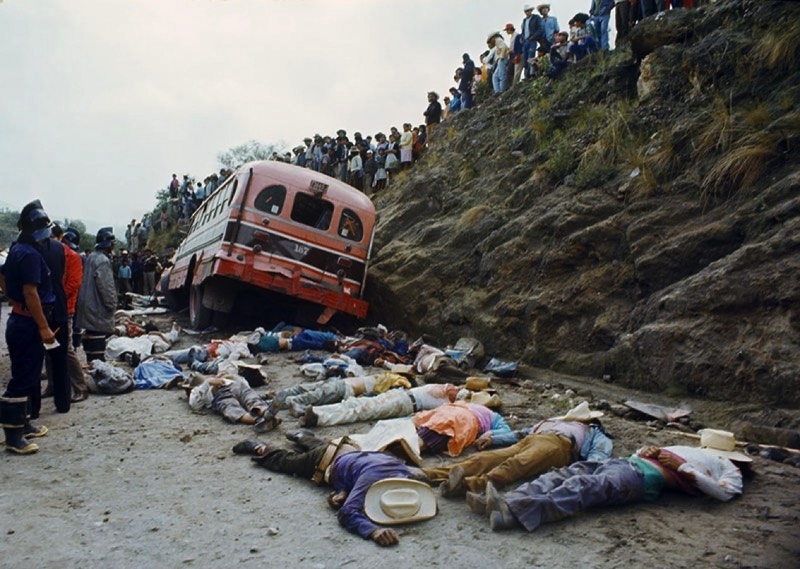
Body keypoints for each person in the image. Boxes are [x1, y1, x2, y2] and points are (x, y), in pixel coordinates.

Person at [467, 429, 749, 532]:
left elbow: (723, 493)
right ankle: (504, 501)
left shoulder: (731, 470)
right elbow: (641, 453)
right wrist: (646, 451)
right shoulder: (692, 449)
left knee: (583, 487)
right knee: (563, 474)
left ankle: (514, 514)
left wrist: (683, 466)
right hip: (627, 463)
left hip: (642, 477)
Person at [235, 436, 434, 546]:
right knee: (285, 462)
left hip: (347, 447)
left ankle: (303, 435)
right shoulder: (374, 478)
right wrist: (373, 531)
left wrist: (344, 490)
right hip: (325, 460)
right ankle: (259, 447)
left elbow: (358, 475)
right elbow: (347, 513)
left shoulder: (399, 467)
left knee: (320, 447)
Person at [424, 401, 613, 496]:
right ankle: (431, 474)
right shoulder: (554, 421)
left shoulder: (595, 433)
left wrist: (578, 474)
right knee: (486, 458)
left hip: (559, 445)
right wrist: (493, 440)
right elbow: (520, 433)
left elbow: (597, 457)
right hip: (531, 439)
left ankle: (469, 485)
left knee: (516, 464)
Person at [0, 199, 56, 454]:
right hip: (28, 322)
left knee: (27, 373)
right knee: (22, 378)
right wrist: (43, 328)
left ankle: (21, 424)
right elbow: (31, 293)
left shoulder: (17, 249)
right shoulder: (30, 254)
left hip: (20, 319)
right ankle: (13, 436)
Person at [254, 371, 413, 432]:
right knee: (298, 399)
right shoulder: (394, 382)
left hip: (336, 382)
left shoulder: (379, 376)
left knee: (296, 391)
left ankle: (268, 412)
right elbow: (373, 397)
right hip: (341, 389)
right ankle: (295, 408)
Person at [300, 383, 460, 428]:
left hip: (406, 403)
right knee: (358, 403)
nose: (452, 387)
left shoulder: (450, 401)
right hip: (403, 394)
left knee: (362, 411)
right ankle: (315, 411)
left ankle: (319, 419)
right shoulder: (447, 389)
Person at [412, 401, 512, 457]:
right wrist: (490, 433)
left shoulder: (470, 404)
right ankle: (413, 447)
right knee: (447, 429)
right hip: (464, 418)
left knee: (433, 427)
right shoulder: (492, 415)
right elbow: (507, 430)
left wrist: (489, 433)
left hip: (450, 411)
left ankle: (411, 445)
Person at [76, 227, 117, 362]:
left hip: (86, 304)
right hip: (96, 306)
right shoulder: (103, 261)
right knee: (97, 343)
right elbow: (106, 287)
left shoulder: (91, 257)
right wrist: (111, 305)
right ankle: (97, 371)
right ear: (109, 244)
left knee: (90, 340)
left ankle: (92, 366)